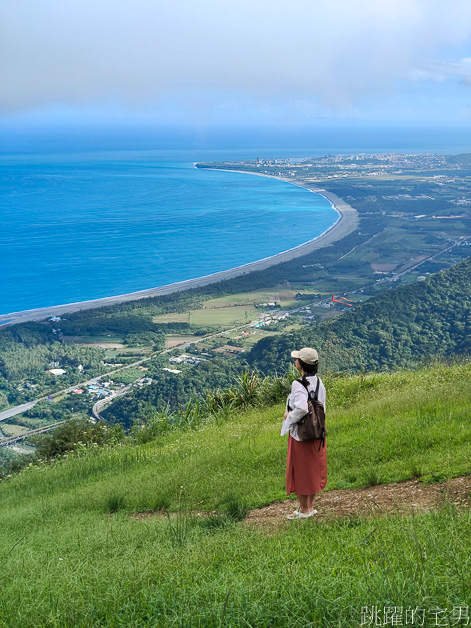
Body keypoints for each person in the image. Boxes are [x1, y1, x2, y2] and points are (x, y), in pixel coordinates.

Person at [281, 347, 327, 519]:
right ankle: (310, 506)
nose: (295, 361)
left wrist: (289, 416)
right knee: (314, 468)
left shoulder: (298, 384)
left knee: (300, 470)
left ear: (301, 364)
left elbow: (300, 408)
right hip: (317, 431)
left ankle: (303, 510)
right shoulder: (319, 382)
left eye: (297, 359)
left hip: (301, 433)